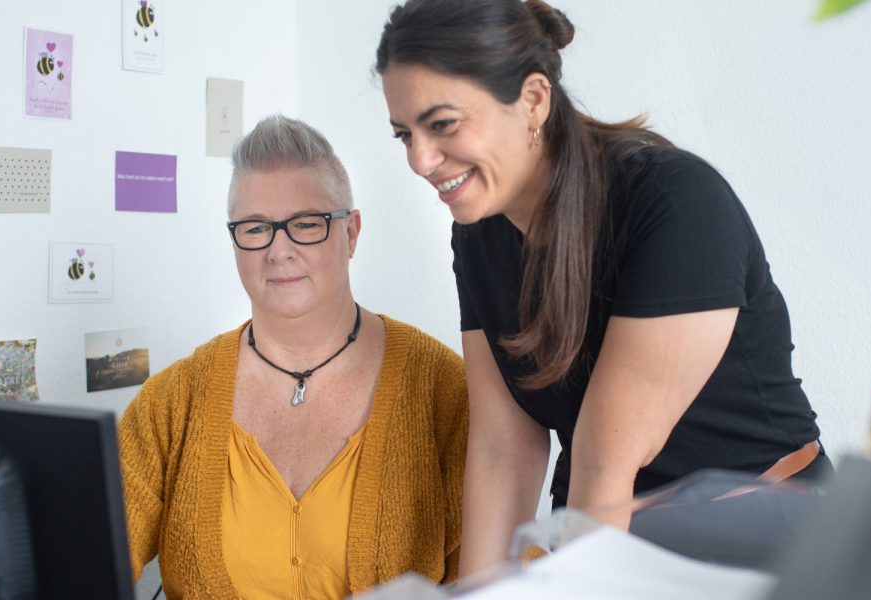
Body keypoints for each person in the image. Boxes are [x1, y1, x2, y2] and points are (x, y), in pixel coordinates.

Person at [376, 0, 831, 577]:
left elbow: (603, 464)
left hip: (759, 539)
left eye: (442, 125)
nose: (421, 160)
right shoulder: (480, 232)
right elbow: (502, 448)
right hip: (605, 533)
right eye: (403, 135)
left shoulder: (674, 203)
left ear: (533, 100)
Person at [117, 115, 468, 598]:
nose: (278, 250)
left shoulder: (446, 391)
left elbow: (509, 572)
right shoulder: (171, 403)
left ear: (351, 233)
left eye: (306, 224)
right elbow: (82, 559)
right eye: (255, 228)